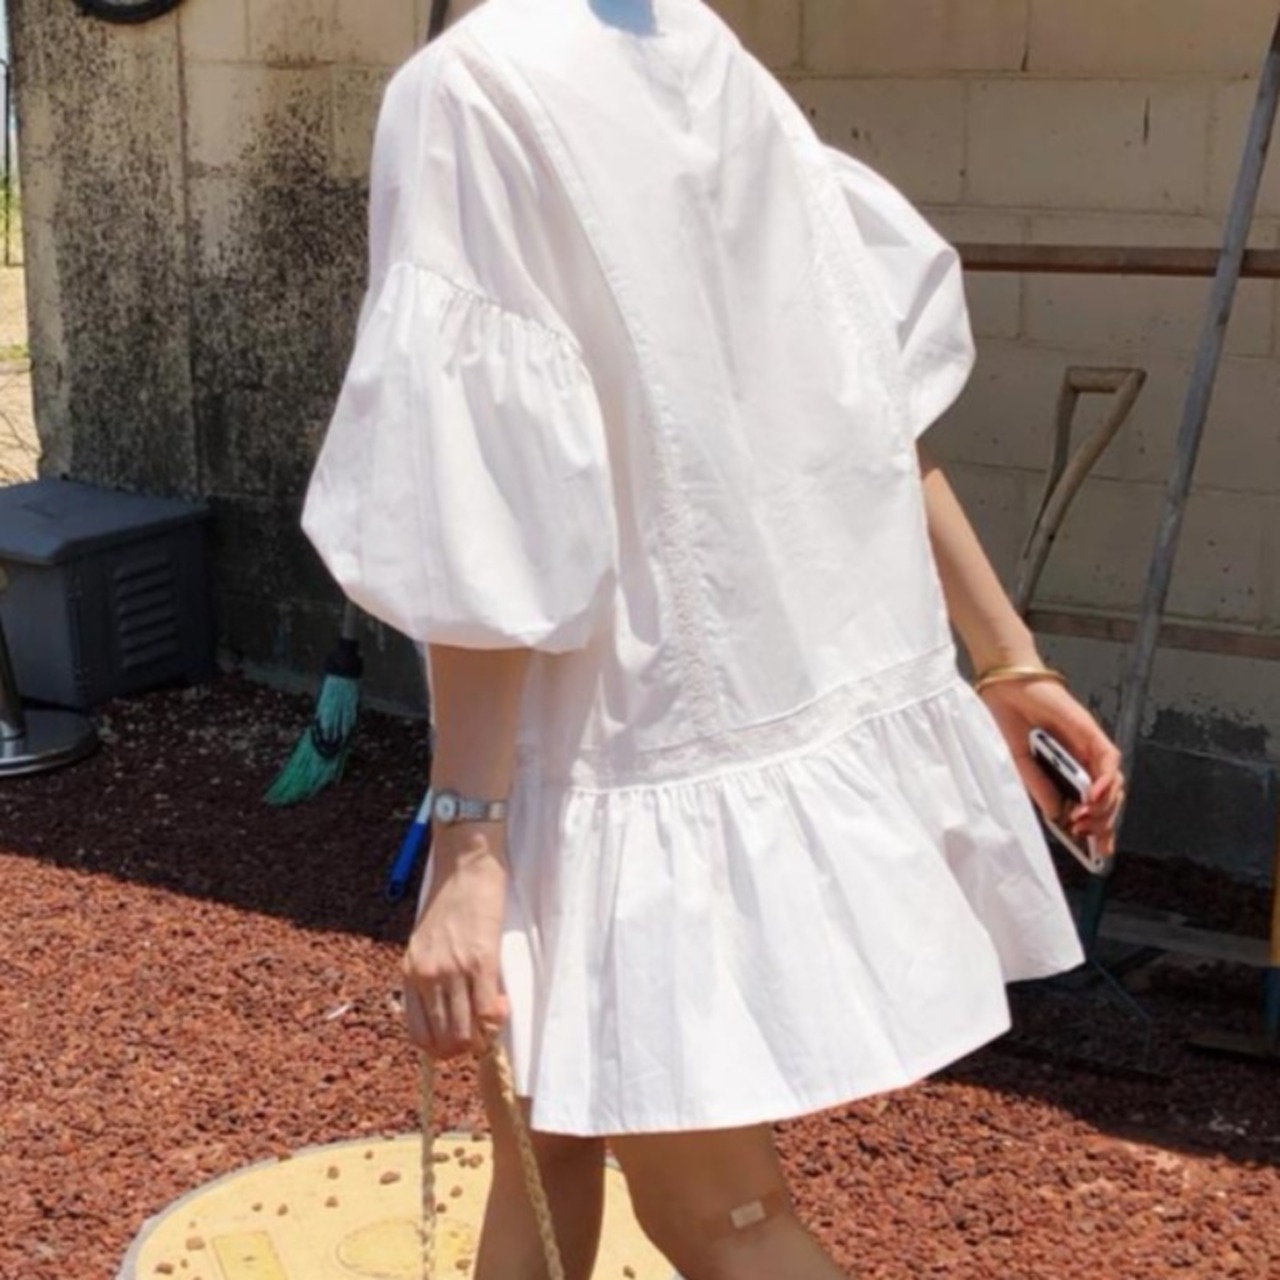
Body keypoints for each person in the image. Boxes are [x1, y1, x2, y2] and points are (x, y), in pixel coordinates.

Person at [302, 1, 1125, 1276]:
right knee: (543, 1142)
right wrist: (1005, 654)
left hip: (618, 752)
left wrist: (466, 838)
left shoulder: (470, 91)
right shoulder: (699, 53)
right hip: (674, 742)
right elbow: (865, 403)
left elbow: (485, 501)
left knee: (716, 1213)